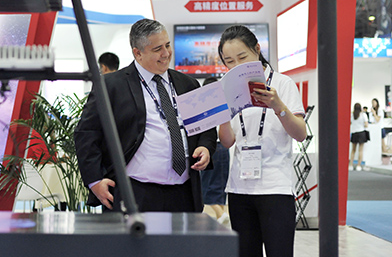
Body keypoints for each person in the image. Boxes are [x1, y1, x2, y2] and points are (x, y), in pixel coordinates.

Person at [75, 18, 216, 212]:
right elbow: (86, 133)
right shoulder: (111, 86)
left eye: (167, 45)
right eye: (157, 49)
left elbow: (206, 128)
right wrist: (95, 180)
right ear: (138, 53)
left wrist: (205, 147)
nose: (166, 53)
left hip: (184, 193)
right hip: (135, 192)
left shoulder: (188, 84)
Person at [217, 25, 306, 257]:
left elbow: (300, 133)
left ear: (257, 49)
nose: (237, 66)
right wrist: (222, 117)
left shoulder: (283, 84)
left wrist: (278, 106)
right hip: (239, 188)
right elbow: (227, 142)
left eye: (242, 57)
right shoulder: (227, 89)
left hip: (275, 187)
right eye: (229, 61)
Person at [200, 76, 230, 225]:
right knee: (220, 184)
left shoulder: (203, 104)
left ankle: (220, 213)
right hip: (223, 147)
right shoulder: (224, 103)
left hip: (211, 147)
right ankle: (221, 215)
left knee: (207, 185)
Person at [350, 102, 369, 171]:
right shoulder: (363, 115)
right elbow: (366, 125)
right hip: (361, 133)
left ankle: (350, 165)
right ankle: (358, 165)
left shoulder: (352, 115)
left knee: (353, 150)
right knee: (360, 150)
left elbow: (350, 123)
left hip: (354, 133)